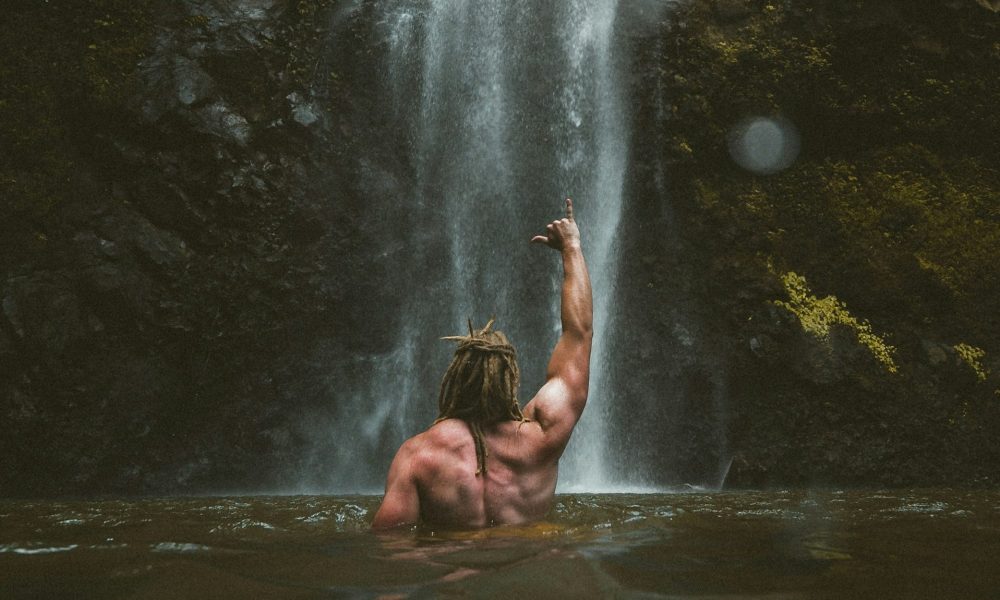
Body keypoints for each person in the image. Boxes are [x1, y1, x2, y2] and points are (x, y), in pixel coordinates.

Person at [371, 198, 593, 530]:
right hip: (524, 569)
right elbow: (579, 334)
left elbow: (390, 544)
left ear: (455, 379)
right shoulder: (542, 436)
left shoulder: (418, 456)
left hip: (457, 574)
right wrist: (572, 249)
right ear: (510, 379)